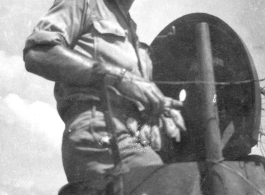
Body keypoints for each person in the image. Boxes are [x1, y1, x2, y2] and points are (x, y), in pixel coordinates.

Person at [23, 0, 186, 194]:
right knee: (164, 183)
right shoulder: (83, 3)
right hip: (99, 131)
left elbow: (134, 92)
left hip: (132, 136)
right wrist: (120, 78)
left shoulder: (129, 27)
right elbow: (37, 53)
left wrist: (157, 111)